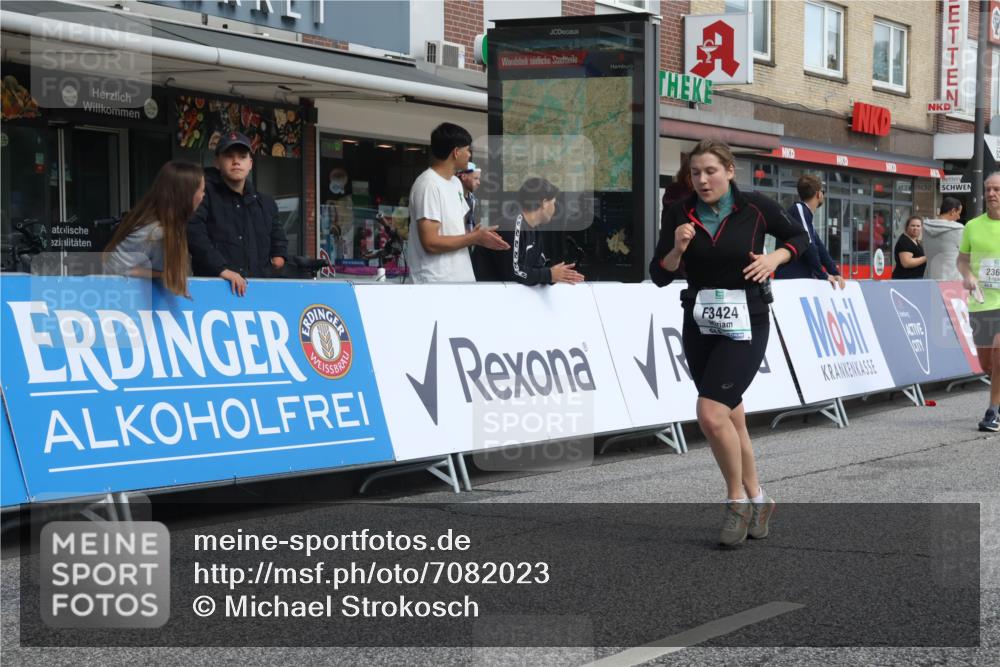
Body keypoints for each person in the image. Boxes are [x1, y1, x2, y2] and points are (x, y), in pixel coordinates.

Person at [649, 138, 809, 547]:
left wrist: (775, 259)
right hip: (700, 322)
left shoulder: (755, 206)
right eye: (695, 173)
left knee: (710, 413)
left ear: (729, 171)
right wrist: (677, 249)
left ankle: (735, 502)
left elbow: (799, 238)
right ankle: (760, 498)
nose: (702, 180)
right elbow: (660, 273)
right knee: (732, 417)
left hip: (748, 321)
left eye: (710, 172)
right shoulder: (678, 213)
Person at [187, 131, 288, 296]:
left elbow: (279, 240)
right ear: (217, 162)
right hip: (214, 290)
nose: (236, 162)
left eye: (242, 156)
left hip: (258, 292)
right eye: (229, 156)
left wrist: (278, 258)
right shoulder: (202, 195)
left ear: (250, 164)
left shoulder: (266, 203)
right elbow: (194, 234)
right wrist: (222, 270)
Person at [405, 123, 508, 283]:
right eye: (468, 149)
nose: (469, 154)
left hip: (460, 279)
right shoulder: (428, 184)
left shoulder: (455, 183)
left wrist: (478, 235)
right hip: (435, 282)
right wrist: (474, 238)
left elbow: (453, 233)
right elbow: (430, 243)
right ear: (456, 152)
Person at [103, 160, 205, 297]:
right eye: (201, 191)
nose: (203, 196)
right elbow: (117, 269)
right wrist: (164, 275)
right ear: (186, 195)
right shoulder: (155, 232)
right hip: (118, 299)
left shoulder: (166, 224)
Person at [478, 177, 584, 286]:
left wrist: (554, 275)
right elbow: (514, 272)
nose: (555, 209)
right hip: (484, 296)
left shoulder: (534, 228)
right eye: (554, 203)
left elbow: (537, 267)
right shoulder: (513, 225)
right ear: (544, 203)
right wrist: (548, 275)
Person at [957, 172, 1000, 432]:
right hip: (981, 303)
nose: (992, 194)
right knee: (987, 365)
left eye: (996, 189)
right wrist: (968, 274)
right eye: (988, 190)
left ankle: (992, 412)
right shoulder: (973, 225)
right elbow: (962, 259)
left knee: (999, 356)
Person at [775, 174, 845, 289]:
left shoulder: (806, 218)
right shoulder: (799, 209)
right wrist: (823, 275)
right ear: (819, 194)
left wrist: (835, 273)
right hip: (790, 282)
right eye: (823, 192)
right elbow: (810, 245)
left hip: (799, 281)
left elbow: (820, 248)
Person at [922, 197, 964, 280]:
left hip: (930, 277)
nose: (959, 217)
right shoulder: (958, 230)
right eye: (959, 213)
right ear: (953, 211)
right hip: (952, 279)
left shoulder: (926, 227)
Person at [458, 161, 481, 233]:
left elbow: (469, 223)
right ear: (464, 177)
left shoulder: (472, 198)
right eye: (475, 178)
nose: (478, 182)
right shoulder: (453, 197)